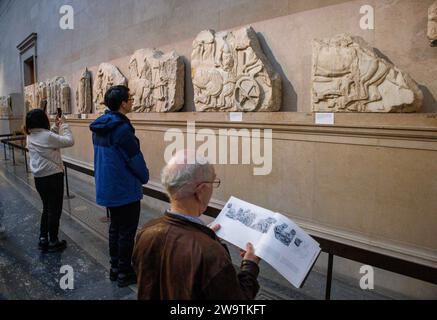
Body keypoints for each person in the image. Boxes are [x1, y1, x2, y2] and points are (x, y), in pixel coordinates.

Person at [132, 150, 261, 300]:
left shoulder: (146, 231)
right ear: (201, 191)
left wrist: (203, 236)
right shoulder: (211, 253)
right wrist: (250, 266)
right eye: (214, 182)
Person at [90, 85, 149, 288]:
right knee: (126, 232)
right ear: (123, 103)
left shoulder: (100, 126)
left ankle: (115, 268)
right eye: (130, 98)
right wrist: (145, 176)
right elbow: (134, 159)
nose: (132, 101)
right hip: (124, 189)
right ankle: (125, 272)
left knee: (115, 228)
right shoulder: (122, 130)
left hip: (108, 187)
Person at [25, 109, 74, 252]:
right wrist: (64, 125)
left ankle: (43, 238)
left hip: (39, 178)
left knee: (46, 207)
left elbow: (47, 140)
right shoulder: (46, 136)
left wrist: (55, 126)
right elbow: (69, 141)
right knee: (55, 210)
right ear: (42, 120)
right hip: (53, 176)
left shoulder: (31, 135)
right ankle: (53, 240)